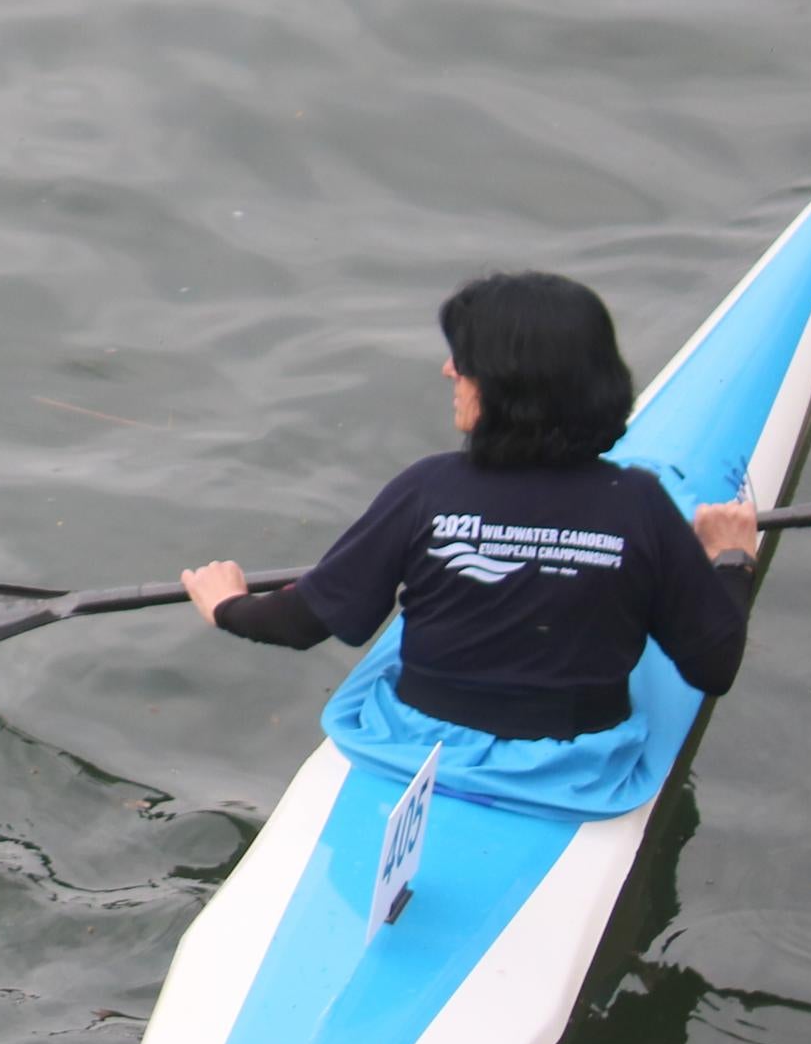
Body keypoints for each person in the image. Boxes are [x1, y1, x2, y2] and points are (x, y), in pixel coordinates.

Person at [181, 271, 762, 811]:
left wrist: (228, 605)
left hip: (409, 751)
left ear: (511, 387)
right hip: (574, 773)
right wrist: (730, 558)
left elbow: (304, 623)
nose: (448, 370)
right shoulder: (640, 503)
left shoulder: (426, 489)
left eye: (464, 360)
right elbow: (714, 667)